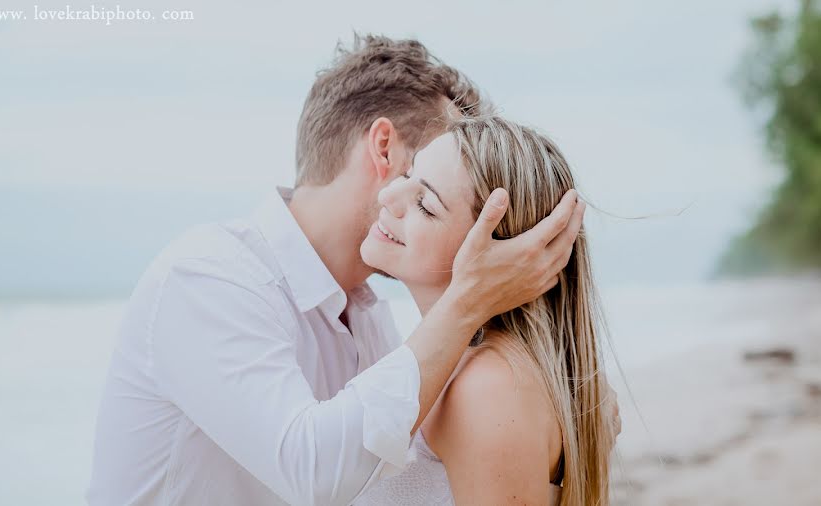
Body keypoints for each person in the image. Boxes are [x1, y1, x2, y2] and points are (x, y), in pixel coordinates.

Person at [86, 34, 587, 505]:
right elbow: (315, 469)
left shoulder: (371, 319)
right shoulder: (210, 277)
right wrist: (467, 302)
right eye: (422, 171)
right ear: (384, 149)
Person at [354, 116, 617, 506]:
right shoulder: (467, 369)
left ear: (505, 254)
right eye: (408, 174)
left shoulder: (489, 388)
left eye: (425, 205)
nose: (388, 196)